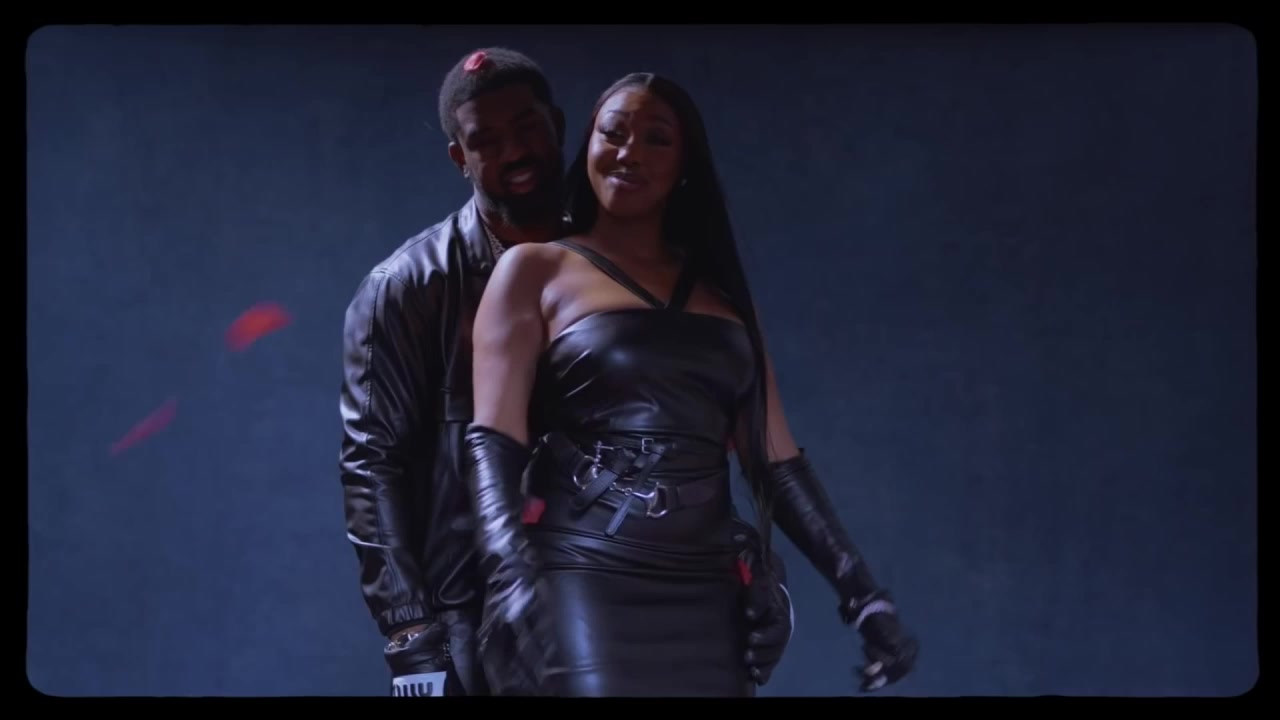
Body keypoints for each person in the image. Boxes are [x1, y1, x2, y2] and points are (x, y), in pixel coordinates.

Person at [339, 48, 793, 698]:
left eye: (526, 127)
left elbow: (680, 447)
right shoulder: (407, 288)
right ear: (459, 157)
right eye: (486, 140)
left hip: (637, 597)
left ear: (556, 125)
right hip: (478, 610)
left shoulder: (640, 269)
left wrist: (753, 566)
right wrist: (410, 635)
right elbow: (372, 465)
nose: (514, 151)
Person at [462, 71, 920, 697]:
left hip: (707, 586)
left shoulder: (723, 299)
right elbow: (493, 439)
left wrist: (864, 597)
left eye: (656, 138)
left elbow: (776, 462)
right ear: (588, 144)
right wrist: (508, 575)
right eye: (613, 133)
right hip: (581, 568)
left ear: (684, 166)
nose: (629, 152)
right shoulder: (534, 269)